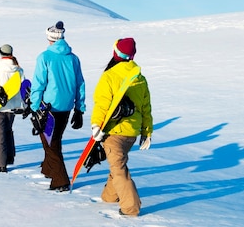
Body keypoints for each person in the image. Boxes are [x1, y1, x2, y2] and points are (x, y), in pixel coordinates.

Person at [90, 37, 152, 216]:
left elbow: (102, 103)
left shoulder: (110, 76)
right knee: (117, 163)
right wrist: (146, 132)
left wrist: (96, 125)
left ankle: (131, 207)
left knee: (118, 168)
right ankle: (109, 196)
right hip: (131, 133)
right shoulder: (140, 78)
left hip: (114, 131)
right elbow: (146, 108)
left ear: (115, 53)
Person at [30, 21, 86, 191]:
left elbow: (39, 83)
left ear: (50, 38)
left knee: (50, 142)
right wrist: (79, 108)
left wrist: (33, 105)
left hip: (49, 107)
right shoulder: (73, 58)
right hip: (67, 106)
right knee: (55, 139)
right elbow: (80, 84)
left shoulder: (44, 57)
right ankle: (48, 169)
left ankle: (60, 180)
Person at [0, 44, 25, 172]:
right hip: (13, 108)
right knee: (8, 132)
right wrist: (23, 106)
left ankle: (1, 165)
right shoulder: (18, 70)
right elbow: (23, 89)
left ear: (0, 53)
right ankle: (9, 157)